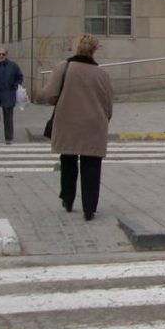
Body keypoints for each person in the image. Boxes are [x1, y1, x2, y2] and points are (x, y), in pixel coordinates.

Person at [42, 34, 114, 221]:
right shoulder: (102, 74)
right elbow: (108, 105)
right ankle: (89, 208)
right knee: (92, 166)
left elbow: (50, 96)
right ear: (94, 51)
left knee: (68, 160)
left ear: (78, 48)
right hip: (94, 126)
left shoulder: (63, 68)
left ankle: (68, 197)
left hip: (68, 124)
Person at [0, 47, 24, 145]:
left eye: (3, 54)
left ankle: (9, 138)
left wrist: (15, 85)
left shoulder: (13, 66)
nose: (1, 56)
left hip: (8, 93)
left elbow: (19, 77)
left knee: (8, 117)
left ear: (6, 55)